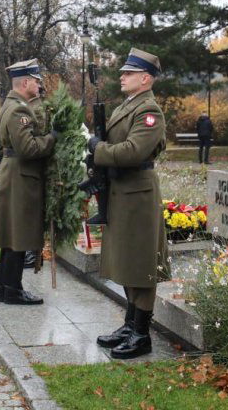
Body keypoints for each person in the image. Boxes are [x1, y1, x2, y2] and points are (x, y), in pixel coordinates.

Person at [87, 48, 171, 359]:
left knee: (141, 265)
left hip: (137, 195)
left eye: (129, 73)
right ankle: (129, 324)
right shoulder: (129, 105)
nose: (122, 76)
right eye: (123, 72)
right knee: (126, 260)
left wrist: (98, 149)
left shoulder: (150, 112)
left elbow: (134, 151)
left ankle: (141, 333)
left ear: (146, 78)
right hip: (122, 192)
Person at [0, 59, 56, 305]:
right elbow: (28, 147)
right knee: (17, 236)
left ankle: (7, 289)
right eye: (36, 81)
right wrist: (51, 139)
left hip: (14, 174)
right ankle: (12, 290)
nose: (39, 86)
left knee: (10, 238)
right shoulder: (19, 109)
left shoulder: (11, 105)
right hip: (20, 177)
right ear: (25, 82)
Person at [22, 84, 47, 270]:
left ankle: (33, 255)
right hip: (30, 165)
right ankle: (32, 253)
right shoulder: (30, 106)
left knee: (31, 212)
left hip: (36, 165)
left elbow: (39, 135)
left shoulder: (37, 108)